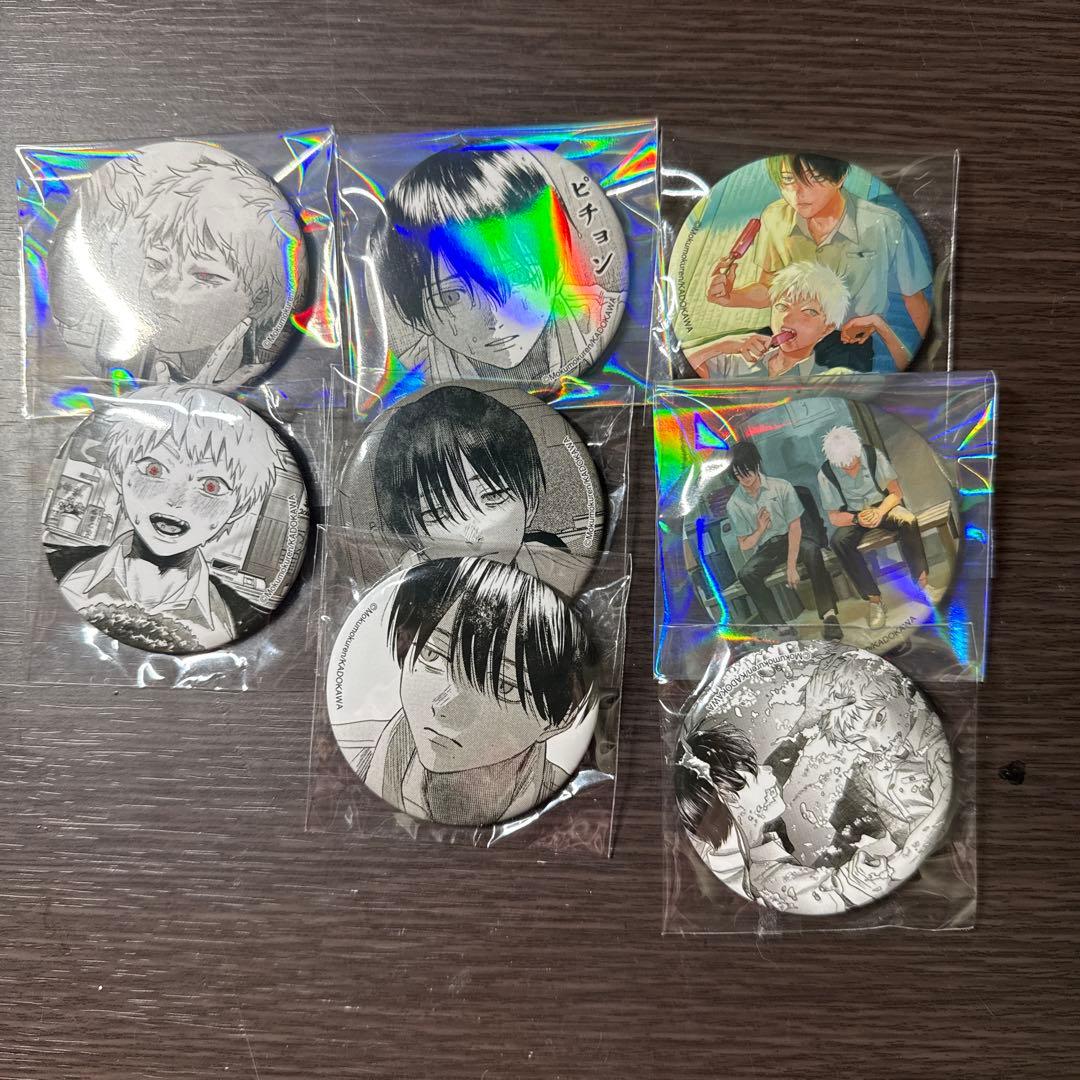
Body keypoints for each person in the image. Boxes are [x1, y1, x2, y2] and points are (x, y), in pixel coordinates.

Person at [49, 142, 305, 388]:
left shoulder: (271, 356)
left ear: (260, 297)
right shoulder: (112, 357)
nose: (163, 290)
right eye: (157, 264)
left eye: (204, 276)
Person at [363, 557, 595, 826]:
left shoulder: (570, 811)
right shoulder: (363, 757)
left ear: (560, 720)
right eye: (432, 655)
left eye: (504, 686)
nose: (446, 708)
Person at [55, 385, 281, 652]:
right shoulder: (61, 569)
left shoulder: (235, 615)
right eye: (154, 470)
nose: (175, 500)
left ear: (239, 508)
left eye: (210, 486)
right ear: (119, 474)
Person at [369, 146, 621, 382]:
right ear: (415, 315)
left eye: (518, 276)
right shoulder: (417, 372)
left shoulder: (598, 318)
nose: (495, 318)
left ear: (558, 264)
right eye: (451, 297)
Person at [705, 153, 933, 372]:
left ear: (840, 178)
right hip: (786, 333)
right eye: (788, 179)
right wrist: (729, 297)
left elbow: (915, 300)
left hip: (848, 341)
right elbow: (769, 290)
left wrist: (927, 358)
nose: (798, 192)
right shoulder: (774, 218)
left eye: (813, 178)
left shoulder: (884, 224)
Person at [371, 385, 589, 595]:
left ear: (529, 503)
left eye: (493, 496)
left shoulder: (564, 574)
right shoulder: (401, 596)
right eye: (438, 513)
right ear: (412, 536)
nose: (473, 537)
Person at [675, 724, 903, 915]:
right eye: (755, 772)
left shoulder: (746, 844)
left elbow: (772, 775)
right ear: (728, 797)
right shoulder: (763, 878)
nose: (768, 770)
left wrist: (806, 723)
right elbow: (844, 891)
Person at [817, 425, 942, 630]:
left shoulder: (872, 455)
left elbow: (895, 493)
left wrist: (880, 512)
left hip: (883, 505)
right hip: (854, 515)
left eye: (854, 461)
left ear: (857, 450)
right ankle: (874, 601)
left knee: (908, 520)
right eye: (844, 466)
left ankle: (924, 585)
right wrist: (857, 519)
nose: (851, 468)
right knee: (838, 542)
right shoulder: (826, 473)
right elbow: (834, 517)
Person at [725, 439, 842, 640]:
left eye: (747, 471)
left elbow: (795, 527)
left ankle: (829, 616)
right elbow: (745, 544)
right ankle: (780, 627)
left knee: (812, 551)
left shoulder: (781, 487)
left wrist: (791, 566)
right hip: (768, 547)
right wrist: (760, 529)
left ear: (756, 464)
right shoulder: (734, 504)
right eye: (737, 475)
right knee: (746, 573)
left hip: (794, 537)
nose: (744, 478)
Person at [690, 260, 886, 380]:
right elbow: (683, 371)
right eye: (782, 307)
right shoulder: (737, 364)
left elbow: (890, 388)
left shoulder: (829, 379)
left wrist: (879, 324)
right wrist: (726, 344)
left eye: (808, 312)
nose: (788, 318)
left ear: (827, 329)